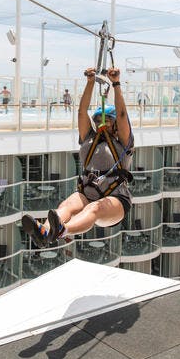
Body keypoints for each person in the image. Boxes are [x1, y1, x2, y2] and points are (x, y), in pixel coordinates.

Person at [21, 67, 133, 247]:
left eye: (107, 120)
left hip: (116, 199)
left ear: (115, 125)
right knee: (66, 206)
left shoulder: (123, 144)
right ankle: (45, 232)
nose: (102, 124)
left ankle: (64, 230)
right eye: (98, 121)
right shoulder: (88, 139)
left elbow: (122, 115)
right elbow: (82, 112)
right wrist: (90, 83)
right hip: (87, 193)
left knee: (94, 208)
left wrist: (116, 83)